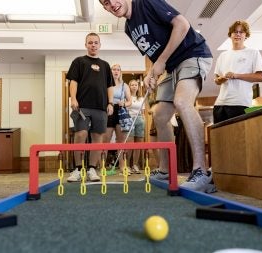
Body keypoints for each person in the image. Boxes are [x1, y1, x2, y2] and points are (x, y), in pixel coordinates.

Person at [100, 0, 215, 193]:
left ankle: (201, 171)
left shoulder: (145, 3)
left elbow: (182, 24)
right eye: (105, 2)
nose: (112, 3)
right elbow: (151, 52)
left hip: (192, 54)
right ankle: (166, 170)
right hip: (170, 66)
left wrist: (161, 62)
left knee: (182, 101)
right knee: (160, 114)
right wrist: (151, 73)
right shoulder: (129, 27)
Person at [66, 32, 114, 182]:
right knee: (81, 134)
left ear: (99, 45)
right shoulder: (79, 62)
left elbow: (109, 86)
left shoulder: (105, 65)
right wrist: (73, 98)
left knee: (98, 138)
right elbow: (73, 82)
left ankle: (92, 169)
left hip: (100, 108)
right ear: (86, 44)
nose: (93, 45)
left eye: (95, 42)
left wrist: (110, 103)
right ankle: (78, 169)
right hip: (82, 107)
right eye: (90, 42)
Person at [213, 20, 262, 124]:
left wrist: (236, 75)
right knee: (219, 138)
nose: (237, 34)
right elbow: (216, 80)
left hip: (240, 103)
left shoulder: (253, 53)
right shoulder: (223, 55)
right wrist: (221, 79)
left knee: (238, 138)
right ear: (230, 35)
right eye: (235, 32)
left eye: (241, 32)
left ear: (246, 35)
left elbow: (260, 77)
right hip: (220, 104)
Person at [103, 64, 132, 175]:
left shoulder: (124, 85)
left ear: (120, 72)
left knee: (121, 142)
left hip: (120, 111)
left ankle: (122, 166)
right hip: (108, 111)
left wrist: (124, 103)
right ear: (111, 71)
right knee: (105, 141)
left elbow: (130, 101)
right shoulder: (105, 83)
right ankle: (102, 167)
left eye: (118, 69)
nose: (116, 71)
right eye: (114, 69)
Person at [126, 79, 145, 174]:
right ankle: (127, 166)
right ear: (129, 87)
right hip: (129, 119)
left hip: (140, 120)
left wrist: (143, 120)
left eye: (135, 85)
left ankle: (135, 165)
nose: (134, 86)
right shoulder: (127, 97)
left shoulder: (141, 98)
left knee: (138, 144)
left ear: (138, 87)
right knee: (130, 144)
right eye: (132, 85)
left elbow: (143, 111)